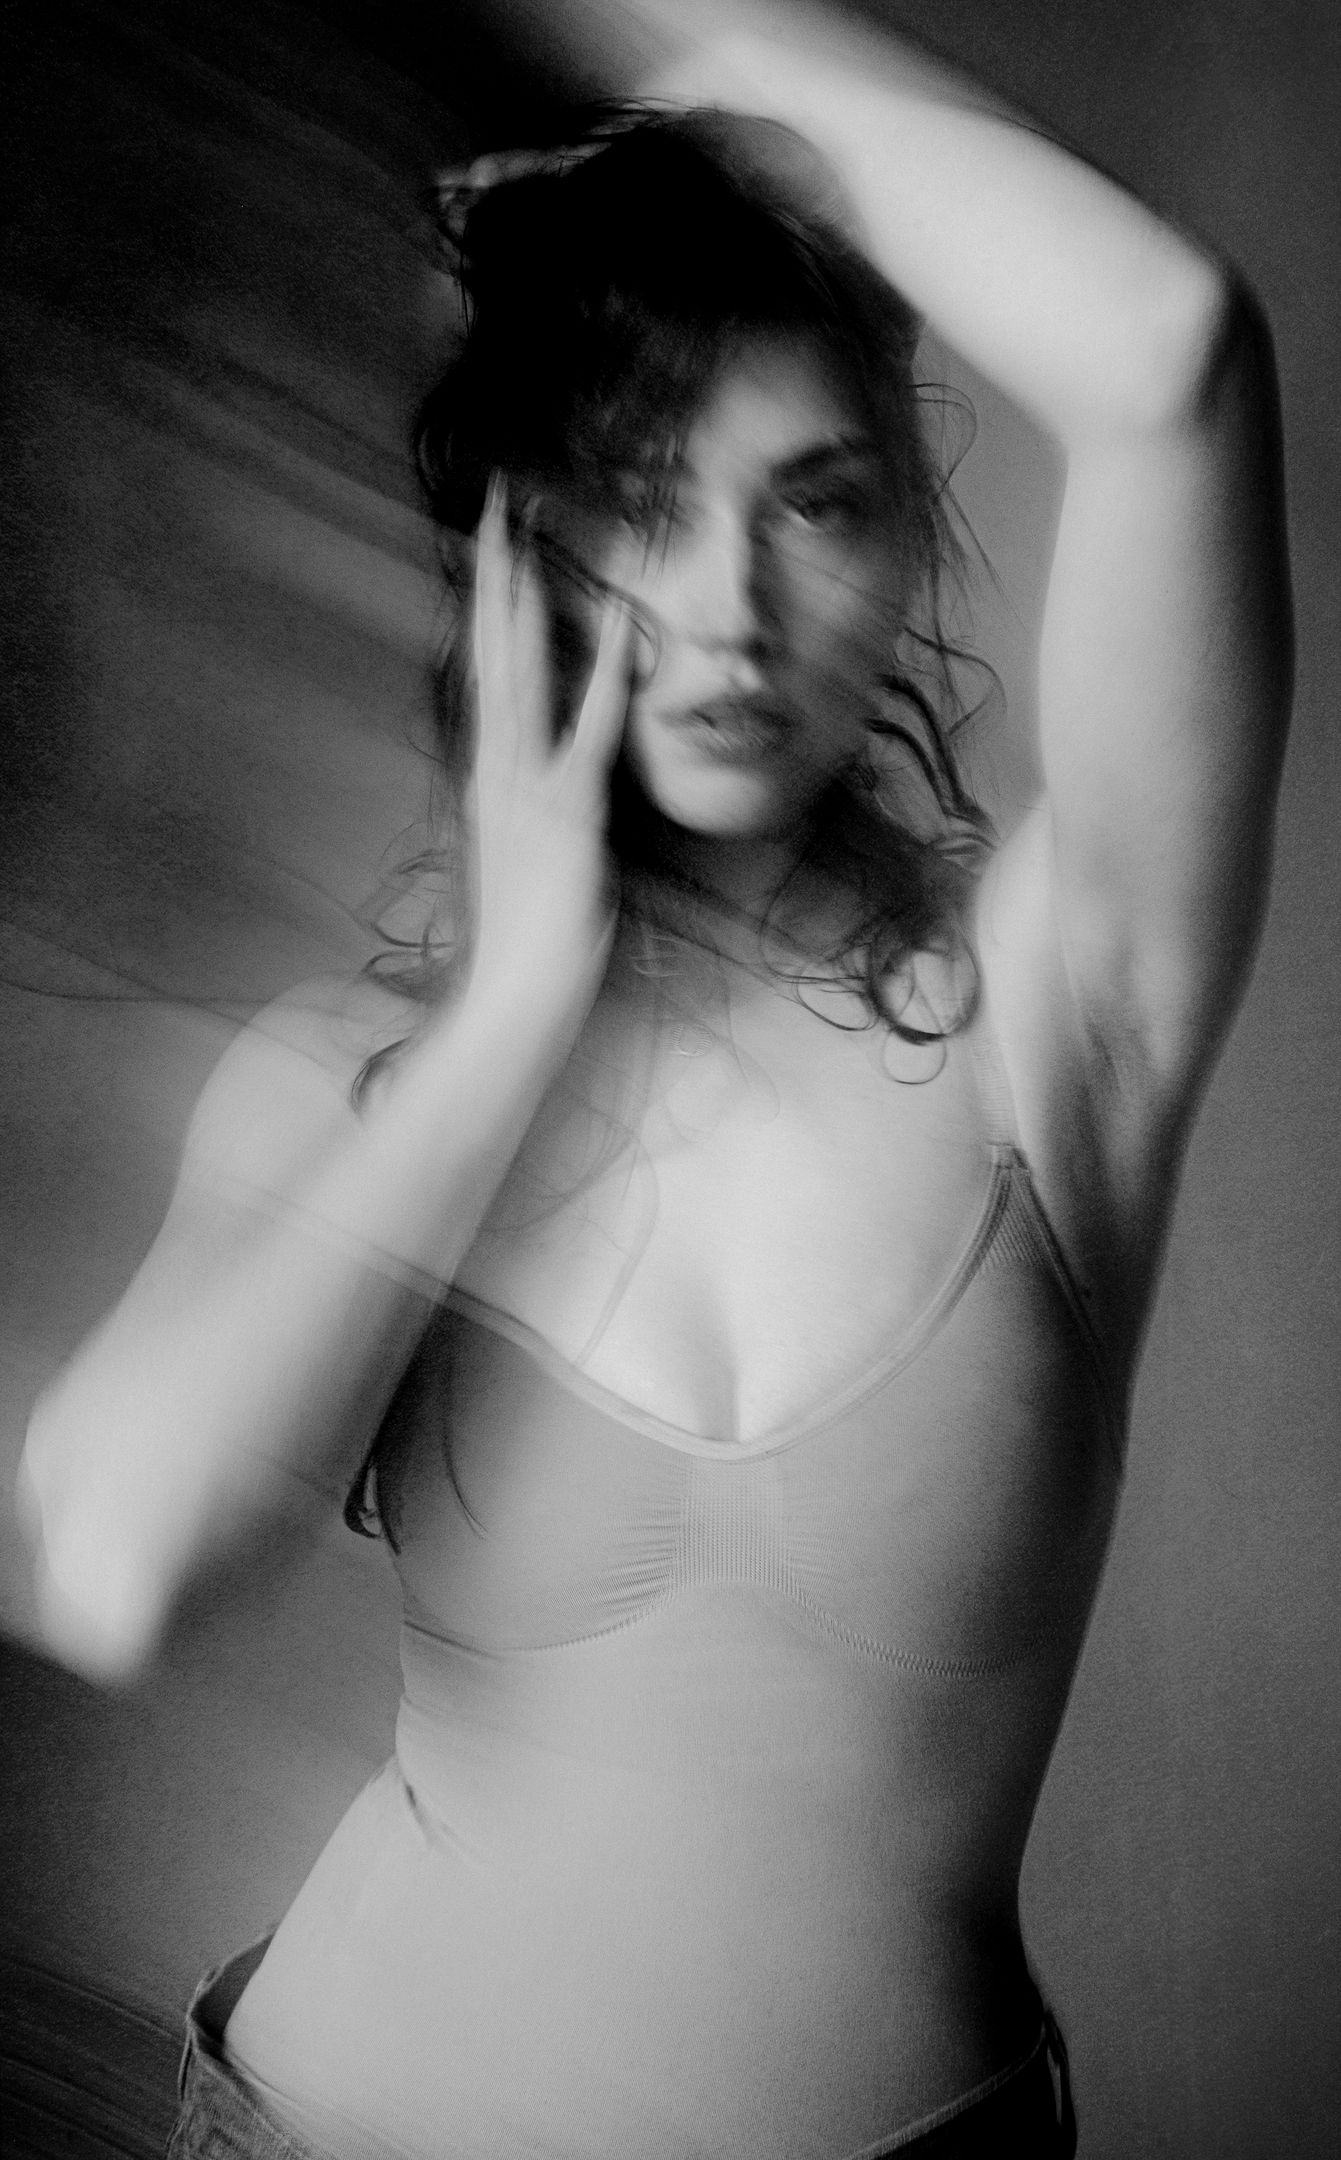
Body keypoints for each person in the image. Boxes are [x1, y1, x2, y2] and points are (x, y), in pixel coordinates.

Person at [18, 2, 1291, 2154]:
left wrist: (640, 40)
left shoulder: (1059, 1011)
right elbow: (116, 1569)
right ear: (523, 549)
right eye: (633, 499)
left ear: (906, 546)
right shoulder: (358, 1082)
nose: (725, 608)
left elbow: (1167, 351)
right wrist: (515, 1005)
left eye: (815, 503)